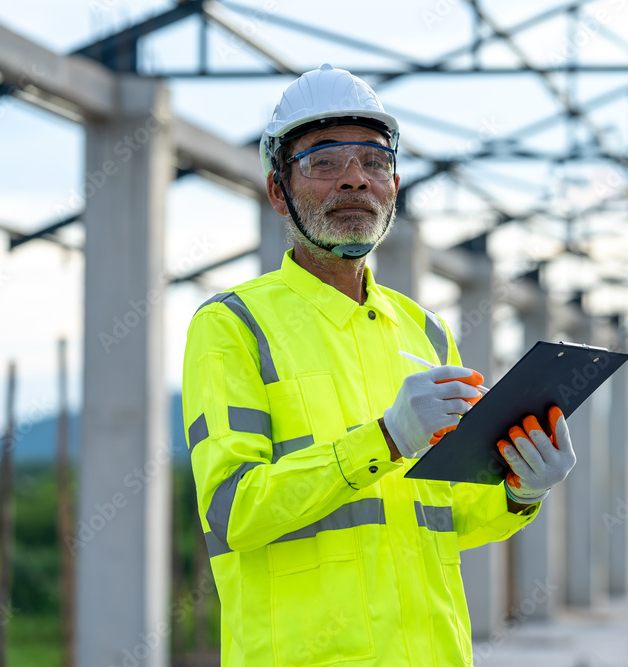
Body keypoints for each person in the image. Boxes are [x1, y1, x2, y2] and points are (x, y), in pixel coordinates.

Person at [182, 64, 577, 666]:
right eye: (323, 162)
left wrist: (521, 488)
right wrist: (386, 439)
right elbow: (234, 511)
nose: (354, 181)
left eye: (373, 160)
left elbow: (448, 514)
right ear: (276, 190)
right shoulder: (234, 326)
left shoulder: (426, 330)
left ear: (394, 183)